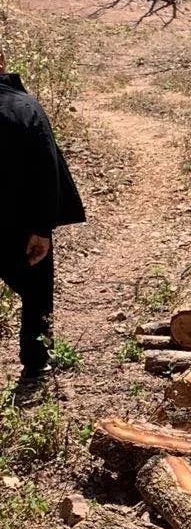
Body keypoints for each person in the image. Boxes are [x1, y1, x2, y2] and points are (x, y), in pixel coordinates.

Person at [0, 58, 85, 395]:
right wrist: (42, 228)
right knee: (36, 292)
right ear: (2, 62)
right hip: (19, 227)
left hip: (17, 224)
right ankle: (36, 363)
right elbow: (46, 170)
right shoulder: (25, 108)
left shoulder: (24, 106)